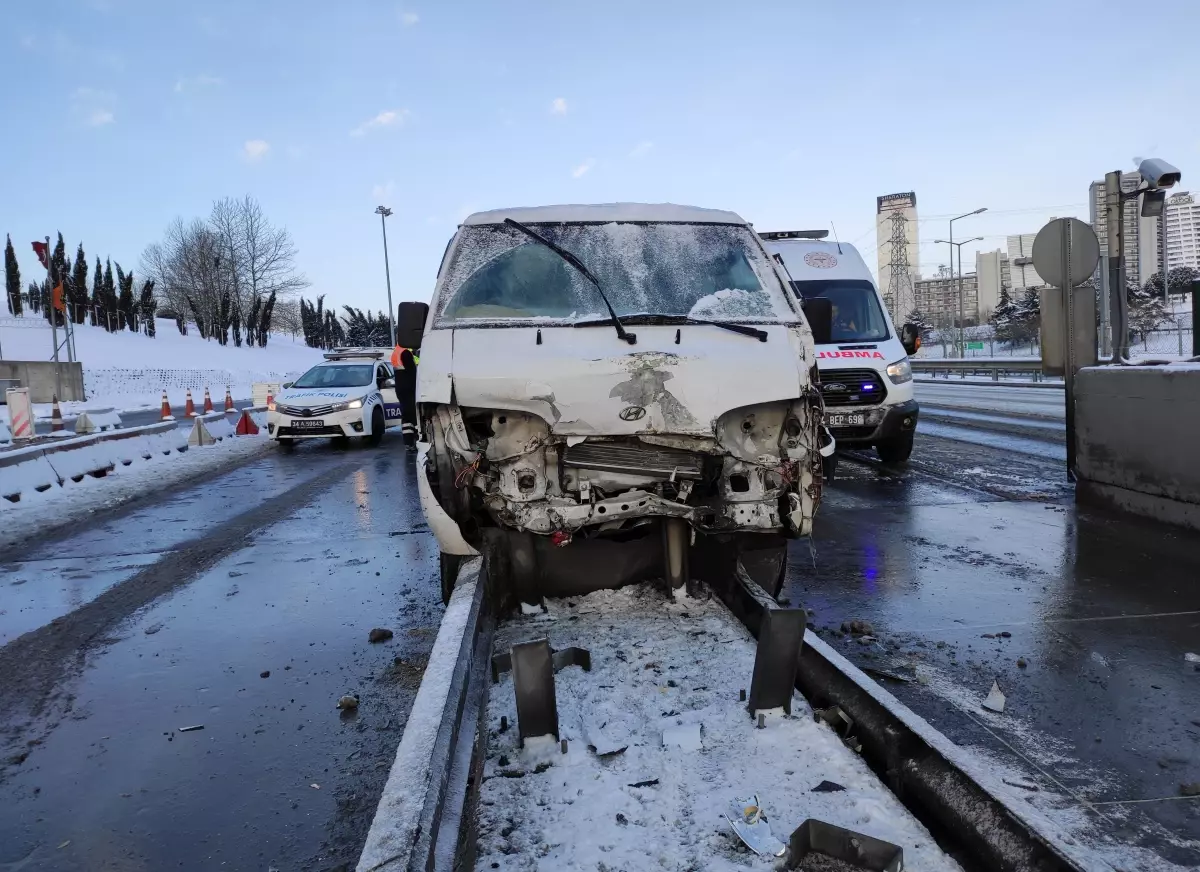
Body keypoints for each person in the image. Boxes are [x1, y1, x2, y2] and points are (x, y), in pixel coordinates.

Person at [392, 343, 419, 451]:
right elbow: (412, 371)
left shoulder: (396, 352)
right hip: (409, 387)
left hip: (400, 387)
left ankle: (408, 441)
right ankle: (419, 439)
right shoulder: (405, 352)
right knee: (414, 414)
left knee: (407, 415)